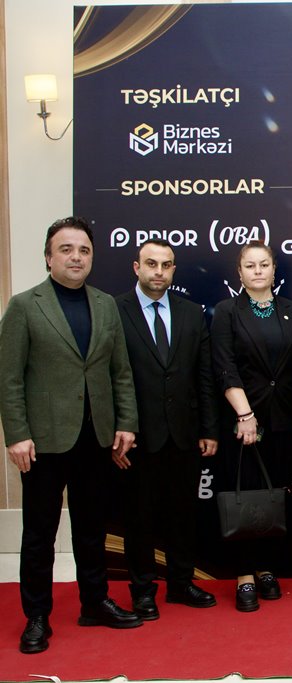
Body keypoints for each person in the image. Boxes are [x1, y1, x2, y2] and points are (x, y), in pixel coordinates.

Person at [0, 216, 141, 654]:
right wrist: (17, 435)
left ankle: (94, 603)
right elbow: (9, 378)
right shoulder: (25, 306)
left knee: (92, 528)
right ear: (48, 257)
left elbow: (120, 371)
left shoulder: (105, 305)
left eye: (83, 250)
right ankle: (36, 616)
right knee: (39, 533)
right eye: (66, 249)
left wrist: (126, 423)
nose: (76, 257)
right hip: (43, 441)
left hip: (96, 437)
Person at [115, 239, 219, 619]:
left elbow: (204, 375)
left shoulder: (192, 313)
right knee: (139, 517)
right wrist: (117, 429)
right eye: (151, 264)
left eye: (166, 265)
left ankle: (180, 584)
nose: (159, 271)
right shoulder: (115, 311)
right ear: (136, 267)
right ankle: (143, 591)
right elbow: (110, 375)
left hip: (184, 433)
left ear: (174, 269)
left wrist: (209, 429)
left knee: (183, 515)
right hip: (136, 436)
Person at [211, 240, 292, 612]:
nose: (257, 271)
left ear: (273, 270)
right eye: (250, 265)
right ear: (239, 273)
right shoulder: (226, 311)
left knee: (273, 495)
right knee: (245, 497)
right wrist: (245, 415)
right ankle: (243, 575)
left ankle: (266, 568)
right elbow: (224, 366)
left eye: (263, 264)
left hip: (283, 419)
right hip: (243, 420)